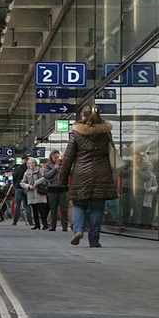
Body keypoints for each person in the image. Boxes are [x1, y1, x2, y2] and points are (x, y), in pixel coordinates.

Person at [57, 106, 119, 248]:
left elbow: (68, 158)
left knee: (79, 204)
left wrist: (62, 179)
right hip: (102, 173)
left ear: (82, 116)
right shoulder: (105, 133)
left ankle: (78, 230)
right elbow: (112, 151)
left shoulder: (77, 133)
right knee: (97, 208)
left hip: (81, 174)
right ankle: (94, 239)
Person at [21, 157, 49, 230]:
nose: (31, 164)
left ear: (35, 163)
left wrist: (36, 183)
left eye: (33, 163)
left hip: (39, 193)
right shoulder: (27, 173)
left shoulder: (40, 170)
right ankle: (37, 225)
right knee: (34, 210)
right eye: (30, 163)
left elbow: (44, 178)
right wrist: (28, 186)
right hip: (31, 193)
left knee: (42, 210)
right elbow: (22, 182)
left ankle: (45, 224)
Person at [42, 150, 67, 230]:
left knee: (64, 208)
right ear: (51, 157)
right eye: (55, 157)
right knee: (53, 208)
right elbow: (46, 176)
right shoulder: (48, 165)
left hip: (63, 188)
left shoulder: (64, 164)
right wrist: (55, 169)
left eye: (58, 157)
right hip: (52, 188)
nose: (56, 159)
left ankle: (65, 226)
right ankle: (53, 225)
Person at [11, 160, 31, 226]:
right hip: (26, 188)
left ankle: (15, 220)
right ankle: (30, 220)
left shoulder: (18, 168)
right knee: (27, 205)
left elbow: (14, 176)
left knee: (18, 205)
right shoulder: (29, 169)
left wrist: (14, 184)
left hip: (18, 187)